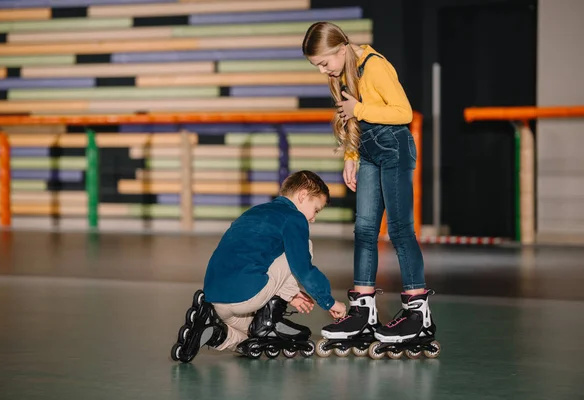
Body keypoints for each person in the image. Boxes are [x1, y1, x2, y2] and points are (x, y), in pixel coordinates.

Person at [301, 22, 436, 351]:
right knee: (363, 230)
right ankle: (363, 310)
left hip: (394, 148)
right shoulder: (343, 72)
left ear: (341, 49)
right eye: (317, 66)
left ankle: (418, 313)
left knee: (401, 230)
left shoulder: (373, 66)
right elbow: (351, 120)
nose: (323, 71)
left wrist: (358, 108)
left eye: (324, 63)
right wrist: (351, 155)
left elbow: (403, 112)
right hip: (369, 153)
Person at [170, 170, 347, 362]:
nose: (313, 218)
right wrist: (328, 301)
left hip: (217, 300)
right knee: (304, 247)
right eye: (316, 209)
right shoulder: (294, 218)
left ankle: (216, 334)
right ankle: (269, 322)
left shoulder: (254, 212)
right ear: (302, 195)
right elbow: (302, 267)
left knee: (254, 340)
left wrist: (291, 294)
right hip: (246, 296)